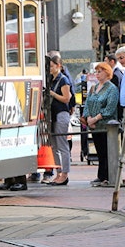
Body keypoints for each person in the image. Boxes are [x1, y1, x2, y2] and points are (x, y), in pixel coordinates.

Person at [81, 62, 119, 187]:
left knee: (106, 152)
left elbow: (110, 108)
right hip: (94, 126)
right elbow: (87, 104)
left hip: (105, 125)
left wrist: (95, 118)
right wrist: (88, 118)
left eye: (99, 72)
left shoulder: (112, 88)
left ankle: (107, 176)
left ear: (107, 72)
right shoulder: (94, 87)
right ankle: (101, 175)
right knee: (99, 151)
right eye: (96, 72)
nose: (97, 74)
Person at [47, 54, 72, 186]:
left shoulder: (63, 80)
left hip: (61, 114)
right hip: (53, 115)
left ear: (59, 66)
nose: (50, 69)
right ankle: (58, 173)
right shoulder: (52, 79)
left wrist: (53, 94)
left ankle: (65, 174)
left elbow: (66, 98)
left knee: (62, 145)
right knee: (54, 147)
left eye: (52, 66)